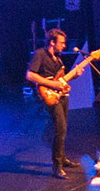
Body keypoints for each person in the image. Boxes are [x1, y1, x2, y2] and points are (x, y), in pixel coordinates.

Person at [26, 28, 81, 178]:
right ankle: (57, 166)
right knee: (60, 129)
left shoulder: (59, 59)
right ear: (52, 42)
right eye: (61, 43)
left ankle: (62, 158)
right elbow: (30, 75)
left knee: (63, 128)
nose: (64, 46)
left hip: (62, 95)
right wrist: (52, 85)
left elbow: (61, 81)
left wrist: (74, 76)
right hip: (49, 95)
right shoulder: (40, 54)